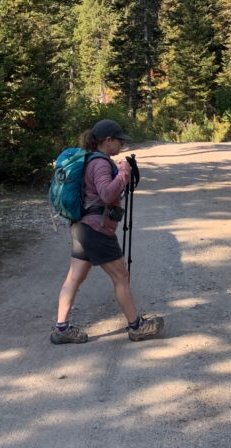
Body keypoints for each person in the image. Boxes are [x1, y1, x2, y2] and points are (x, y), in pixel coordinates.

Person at [51, 118, 164, 344]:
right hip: (97, 230)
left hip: (82, 228)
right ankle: (137, 326)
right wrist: (123, 173)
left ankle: (61, 329)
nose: (122, 145)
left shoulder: (89, 160)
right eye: (119, 141)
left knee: (73, 278)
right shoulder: (100, 163)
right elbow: (107, 194)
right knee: (121, 276)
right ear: (107, 141)